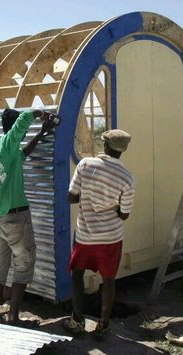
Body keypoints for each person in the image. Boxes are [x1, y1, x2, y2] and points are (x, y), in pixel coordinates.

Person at [62, 129, 134, 340]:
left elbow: (71, 197)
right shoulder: (127, 178)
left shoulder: (85, 165)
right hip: (111, 238)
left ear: (105, 146)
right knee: (109, 280)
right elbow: (124, 214)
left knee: (77, 273)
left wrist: (88, 197)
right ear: (123, 150)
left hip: (85, 235)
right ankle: (103, 325)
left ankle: (77, 320)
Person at [0, 108, 56, 326]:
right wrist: (39, 114)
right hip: (16, 217)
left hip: (0, 217)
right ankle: (14, 318)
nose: (23, 133)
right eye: (20, 129)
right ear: (13, 127)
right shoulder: (9, 142)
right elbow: (24, 120)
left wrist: (41, 133)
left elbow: (22, 155)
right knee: (24, 265)